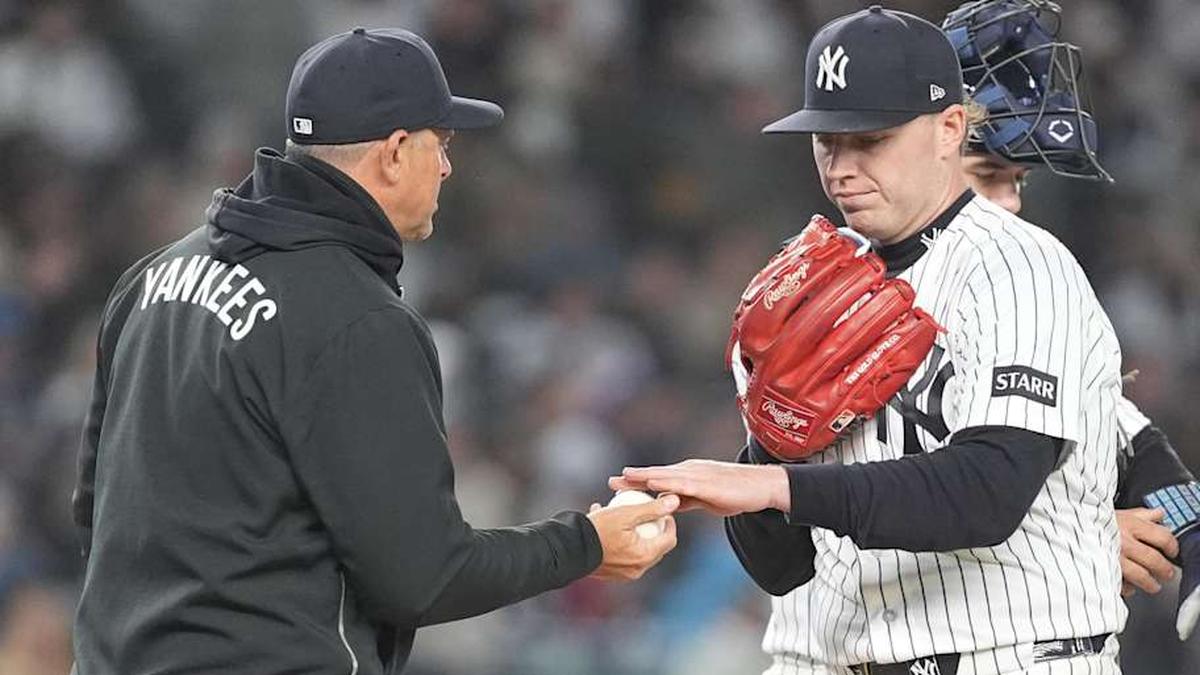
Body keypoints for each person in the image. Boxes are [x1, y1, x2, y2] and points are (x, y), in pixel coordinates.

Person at [70, 28, 679, 675]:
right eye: (439, 145)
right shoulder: (356, 318)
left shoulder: (154, 275)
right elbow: (422, 576)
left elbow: (94, 510)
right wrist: (586, 543)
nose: (447, 166)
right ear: (393, 153)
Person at [614, 6, 1128, 674]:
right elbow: (782, 567)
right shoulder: (800, 282)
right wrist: (769, 442)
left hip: (1006, 656)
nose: (842, 168)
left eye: (871, 140)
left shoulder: (1018, 265)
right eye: (828, 140)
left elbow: (988, 491)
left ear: (949, 130)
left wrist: (776, 486)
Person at [942, 0, 1198, 616]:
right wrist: (1080, 543)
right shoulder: (854, 295)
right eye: (987, 175)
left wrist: (1189, 527)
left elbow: (1113, 425)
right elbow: (880, 506)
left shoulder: (1013, 285)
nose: (1009, 205)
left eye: (1019, 182)